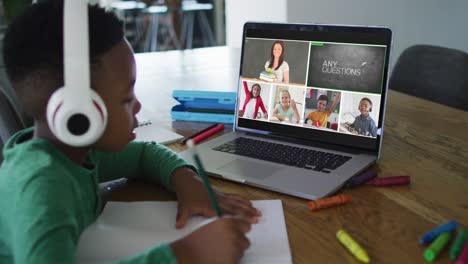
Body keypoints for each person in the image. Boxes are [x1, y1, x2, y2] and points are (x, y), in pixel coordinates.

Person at [0, 2, 260, 264]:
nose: (137, 106)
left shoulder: (74, 153)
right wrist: (186, 254)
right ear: (78, 114)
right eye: (126, 99)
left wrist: (188, 182)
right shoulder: (42, 189)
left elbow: (144, 155)